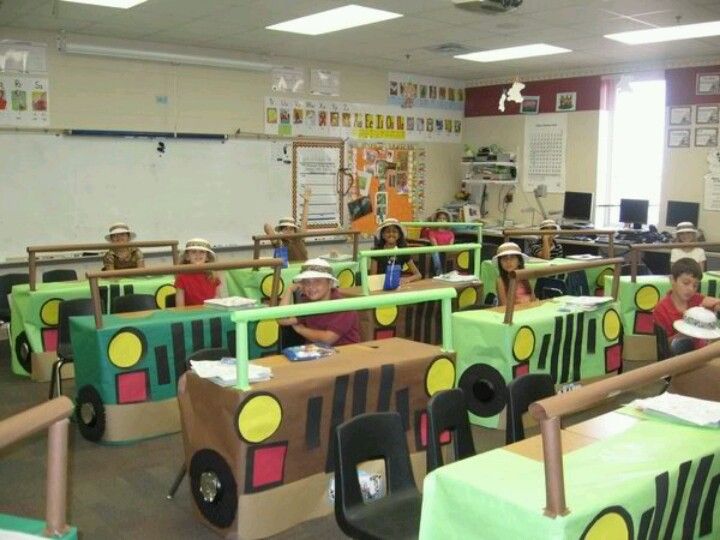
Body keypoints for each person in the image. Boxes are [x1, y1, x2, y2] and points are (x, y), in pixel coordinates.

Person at [278, 258, 360, 346]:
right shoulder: (307, 302)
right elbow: (282, 320)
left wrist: (301, 330)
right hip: (316, 353)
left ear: (330, 284)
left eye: (317, 281)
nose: (311, 287)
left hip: (344, 354)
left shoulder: (343, 306)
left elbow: (327, 339)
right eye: (306, 282)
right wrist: (289, 290)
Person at [653, 258, 720, 347]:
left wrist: (716, 307)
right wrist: (685, 333)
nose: (691, 289)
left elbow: (715, 303)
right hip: (677, 358)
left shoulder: (697, 299)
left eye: (695, 285)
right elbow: (662, 346)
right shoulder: (661, 309)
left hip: (702, 353)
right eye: (686, 283)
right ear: (672, 280)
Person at [264, 186, 312, 262]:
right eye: (285, 229)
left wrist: (306, 201)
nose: (289, 231)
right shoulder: (279, 242)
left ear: (294, 230)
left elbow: (304, 221)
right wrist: (279, 236)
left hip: (303, 268)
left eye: (291, 229)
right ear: (281, 230)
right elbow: (267, 226)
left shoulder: (299, 237)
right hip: (288, 271)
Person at [370, 218, 422, 284]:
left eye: (394, 231)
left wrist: (407, 279)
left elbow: (418, 275)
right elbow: (372, 277)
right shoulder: (376, 251)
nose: (391, 234)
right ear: (382, 235)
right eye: (388, 231)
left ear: (399, 235)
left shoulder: (403, 251)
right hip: (380, 286)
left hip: (397, 286)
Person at [174, 238, 222, 307]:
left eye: (202, 252)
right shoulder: (181, 277)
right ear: (187, 257)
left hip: (211, 313)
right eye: (193, 252)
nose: (198, 254)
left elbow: (218, 299)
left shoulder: (213, 275)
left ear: (207, 257)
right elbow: (180, 307)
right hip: (191, 315)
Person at [495, 242, 535, 306]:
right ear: (500, 263)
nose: (508, 262)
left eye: (512, 257)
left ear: (519, 261)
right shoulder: (500, 280)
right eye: (504, 259)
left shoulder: (525, 276)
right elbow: (504, 305)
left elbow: (533, 299)